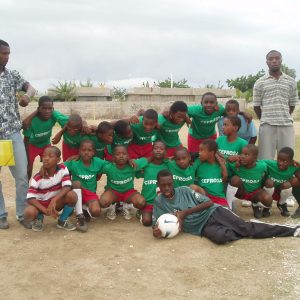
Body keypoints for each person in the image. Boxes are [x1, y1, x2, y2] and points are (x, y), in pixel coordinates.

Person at [152, 170, 300, 244]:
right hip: (201, 228)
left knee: (245, 228)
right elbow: (156, 224)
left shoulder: (184, 190)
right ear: (158, 185)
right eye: (163, 185)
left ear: (172, 182)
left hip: (213, 212)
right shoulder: (159, 202)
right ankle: (245, 228)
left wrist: (185, 213)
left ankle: (292, 230)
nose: (166, 188)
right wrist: (156, 232)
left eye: (169, 184)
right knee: (221, 238)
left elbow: (208, 202)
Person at [0, 39, 36, 229]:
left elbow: (30, 87)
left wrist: (27, 96)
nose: (6, 57)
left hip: (12, 132)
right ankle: (1, 215)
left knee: (22, 175)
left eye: (8, 54)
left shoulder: (12, 75)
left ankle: (22, 213)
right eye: (3, 53)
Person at [253, 50, 299, 159]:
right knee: (265, 158)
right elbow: (256, 106)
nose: (274, 61)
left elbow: (292, 104)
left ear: (281, 60)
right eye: (271, 59)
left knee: (286, 159)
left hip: (286, 126)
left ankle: (284, 177)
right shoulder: (260, 82)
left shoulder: (291, 81)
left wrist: (283, 116)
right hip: (267, 126)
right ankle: (266, 177)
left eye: (277, 58)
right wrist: (265, 119)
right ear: (267, 62)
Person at [24, 146, 77, 231]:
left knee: (72, 195)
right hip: (41, 204)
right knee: (29, 212)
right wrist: (44, 210)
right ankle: (39, 218)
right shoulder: (37, 177)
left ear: (58, 160)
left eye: (50, 156)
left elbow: (67, 187)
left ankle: (62, 220)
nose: (46, 158)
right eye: (44, 156)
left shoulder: (63, 169)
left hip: (55, 202)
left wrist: (54, 200)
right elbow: (30, 198)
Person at [64, 139, 107, 232]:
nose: (86, 153)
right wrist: (44, 168)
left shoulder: (98, 162)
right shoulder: (74, 162)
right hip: (75, 192)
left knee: (96, 212)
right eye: (83, 150)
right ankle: (80, 215)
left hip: (90, 194)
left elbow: (112, 166)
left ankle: (83, 207)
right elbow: (58, 167)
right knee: (76, 183)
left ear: (93, 152)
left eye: (89, 150)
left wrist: (129, 160)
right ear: (79, 151)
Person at [23, 96, 68, 178]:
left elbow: (69, 122)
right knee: (28, 168)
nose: (47, 111)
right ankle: (27, 188)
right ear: (38, 109)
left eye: (50, 108)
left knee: (51, 164)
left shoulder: (54, 114)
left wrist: (60, 134)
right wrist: (27, 158)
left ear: (53, 109)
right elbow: (26, 139)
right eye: (44, 108)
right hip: (32, 145)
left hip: (45, 143)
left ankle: (50, 185)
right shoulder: (32, 120)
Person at [100, 145, 147, 220]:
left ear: (128, 156)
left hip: (128, 192)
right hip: (113, 192)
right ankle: (112, 206)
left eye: (124, 154)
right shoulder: (108, 167)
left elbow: (146, 160)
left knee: (141, 202)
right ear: (113, 157)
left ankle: (125, 206)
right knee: (103, 202)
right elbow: (94, 162)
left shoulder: (133, 165)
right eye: (118, 154)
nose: (121, 156)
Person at [226, 145, 273, 218]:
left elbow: (267, 176)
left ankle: (257, 205)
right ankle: (228, 208)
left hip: (255, 193)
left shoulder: (262, 166)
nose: (242, 156)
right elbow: (224, 161)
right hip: (241, 192)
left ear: (255, 157)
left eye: (246, 155)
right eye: (241, 154)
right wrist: (233, 158)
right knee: (235, 179)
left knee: (267, 198)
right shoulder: (235, 165)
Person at [136, 141, 168, 226]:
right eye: (156, 148)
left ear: (165, 152)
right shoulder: (146, 165)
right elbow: (135, 169)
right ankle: (141, 212)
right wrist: (146, 160)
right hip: (148, 202)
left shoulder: (168, 165)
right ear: (152, 151)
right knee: (147, 222)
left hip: (164, 202)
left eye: (161, 149)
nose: (158, 150)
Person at [263, 147, 300, 217]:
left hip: (282, 192)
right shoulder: (271, 164)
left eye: (284, 161)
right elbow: (257, 162)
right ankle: (267, 205)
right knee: (269, 182)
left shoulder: (293, 167)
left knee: (291, 183)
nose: (280, 163)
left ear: (290, 161)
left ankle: (282, 204)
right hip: (269, 190)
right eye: (279, 160)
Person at [187, 92, 225, 160]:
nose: (209, 105)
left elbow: (232, 112)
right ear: (201, 103)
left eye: (212, 102)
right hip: (195, 138)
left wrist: (243, 113)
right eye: (206, 102)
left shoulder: (220, 109)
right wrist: (186, 117)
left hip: (211, 137)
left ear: (216, 103)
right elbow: (180, 109)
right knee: (193, 159)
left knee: (212, 158)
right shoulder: (195, 110)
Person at [195, 140, 228, 206]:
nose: (199, 153)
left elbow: (225, 176)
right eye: (199, 150)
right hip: (204, 197)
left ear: (212, 153)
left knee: (226, 214)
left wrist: (218, 159)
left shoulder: (221, 165)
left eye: (202, 150)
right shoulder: (198, 163)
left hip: (219, 198)